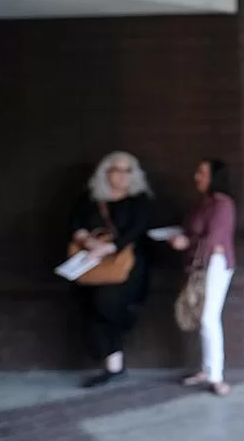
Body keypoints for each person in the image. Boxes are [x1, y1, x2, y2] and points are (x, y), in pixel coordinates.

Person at [69, 151, 153, 388]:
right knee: (93, 305)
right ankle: (113, 366)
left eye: (128, 170)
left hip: (128, 265)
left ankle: (128, 323)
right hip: (93, 264)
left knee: (106, 302)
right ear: (105, 173)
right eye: (117, 170)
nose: (123, 175)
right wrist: (89, 243)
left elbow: (137, 229)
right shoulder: (90, 198)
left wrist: (109, 248)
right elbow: (75, 224)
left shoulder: (139, 200)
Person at [170, 159, 236, 396]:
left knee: (208, 318)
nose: (196, 176)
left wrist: (186, 242)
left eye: (202, 172)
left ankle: (216, 375)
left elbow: (214, 238)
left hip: (215, 265)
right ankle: (207, 369)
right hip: (200, 265)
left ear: (214, 177)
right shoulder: (203, 203)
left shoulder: (222, 205)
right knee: (203, 317)